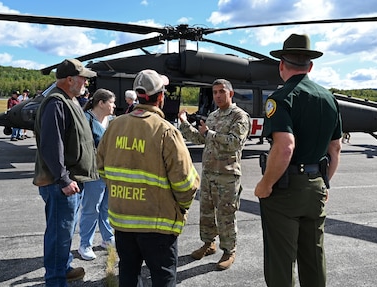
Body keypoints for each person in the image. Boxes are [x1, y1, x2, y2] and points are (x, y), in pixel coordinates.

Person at [97, 69, 200, 286]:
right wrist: (181, 208)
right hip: (158, 226)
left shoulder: (114, 126)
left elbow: (102, 169)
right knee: (163, 278)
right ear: (160, 97)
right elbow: (187, 184)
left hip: (123, 223)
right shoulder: (166, 132)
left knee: (128, 275)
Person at [254, 34, 342, 287]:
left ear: (281, 64)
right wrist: (324, 183)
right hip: (316, 185)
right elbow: (335, 148)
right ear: (310, 66)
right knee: (314, 256)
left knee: (281, 260)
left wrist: (266, 184)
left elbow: (285, 148)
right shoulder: (328, 98)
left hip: (285, 190)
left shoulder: (280, 98)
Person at [33, 58, 98, 286]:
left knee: (65, 232)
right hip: (61, 184)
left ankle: (63, 267)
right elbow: (52, 145)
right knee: (59, 234)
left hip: (70, 182)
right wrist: (63, 179)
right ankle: (55, 280)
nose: (86, 83)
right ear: (70, 79)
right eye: (83, 79)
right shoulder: (56, 103)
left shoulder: (69, 100)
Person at [178, 78, 251, 271]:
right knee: (206, 214)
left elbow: (235, 142)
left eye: (221, 92)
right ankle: (209, 244)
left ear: (230, 93)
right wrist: (184, 124)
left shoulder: (239, 116)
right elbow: (200, 138)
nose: (218, 96)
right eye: (215, 92)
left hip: (227, 176)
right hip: (209, 174)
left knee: (226, 215)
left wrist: (209, 133)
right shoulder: (213, 115)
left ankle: (229, 251)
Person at [77, 88, 116, 261]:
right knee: (91, 208)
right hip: (94, 173)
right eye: (111, 102)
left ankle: (107, 239)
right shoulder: (86, 120)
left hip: (111, 172)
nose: (114, 106)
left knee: (106, 207)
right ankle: (85, 243)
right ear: (101, 103)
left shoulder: (113, 121)